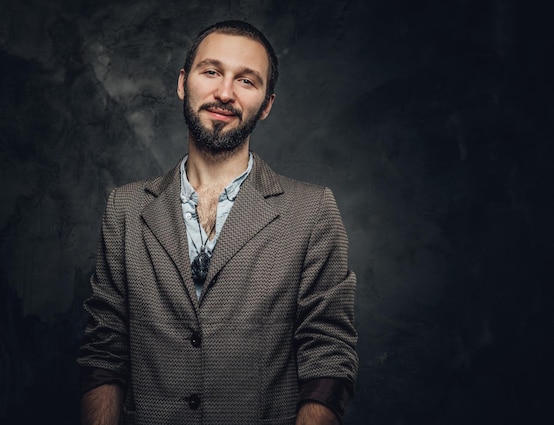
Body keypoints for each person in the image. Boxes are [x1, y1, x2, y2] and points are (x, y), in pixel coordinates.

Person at [77, 20, 358, 425]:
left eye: (246, 80)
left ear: (266, 104)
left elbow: (329, 359)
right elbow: (104, 353)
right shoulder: (124, 209)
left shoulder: (312, 212)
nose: (224, 93)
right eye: (211, 72)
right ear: (182, 83)